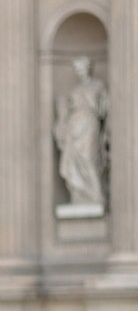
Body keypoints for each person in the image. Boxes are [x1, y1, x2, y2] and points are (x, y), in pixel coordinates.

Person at [53, 57, 109, 209]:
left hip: (90, 123)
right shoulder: (75, 90)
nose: (80, 71)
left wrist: (106, 133)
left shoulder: (99, 85)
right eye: (77, 69)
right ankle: (79, 194)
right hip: (74, 125)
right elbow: (66, 111)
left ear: (89, 68)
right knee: (74, 161)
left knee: (89, 158)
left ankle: (97, 194)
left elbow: (105, 110)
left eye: (82, 68)